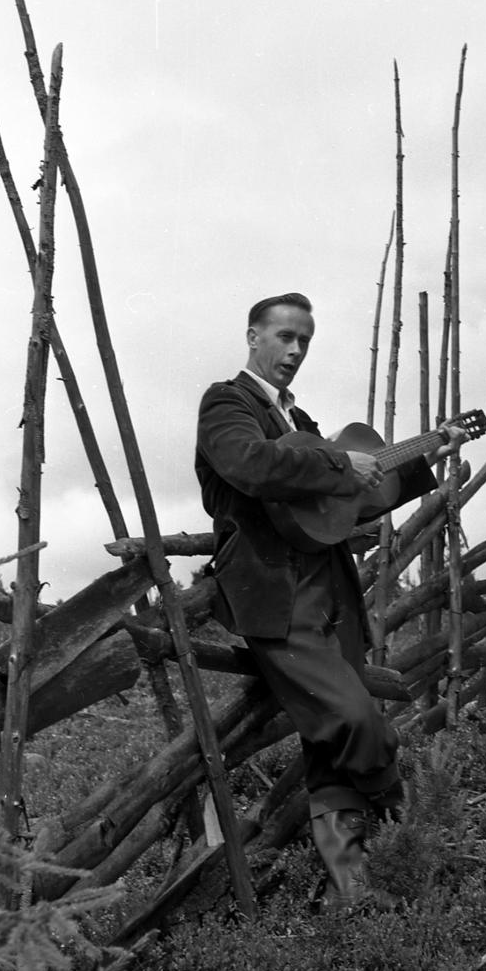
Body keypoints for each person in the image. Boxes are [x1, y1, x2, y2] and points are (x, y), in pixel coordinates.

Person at [195, 291, 465, 909]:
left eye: (305, 341)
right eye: (284, 337)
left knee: (327, 749)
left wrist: (424, 457)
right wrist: (344, 465)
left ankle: (356, 893)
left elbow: (350, 500)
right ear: (253, 336)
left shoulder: (304, 423)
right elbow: (253, 466)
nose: (294, 351)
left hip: (329, 591)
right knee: (353, 719)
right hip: (272, 593)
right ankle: (412, 823)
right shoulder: (227, 403)